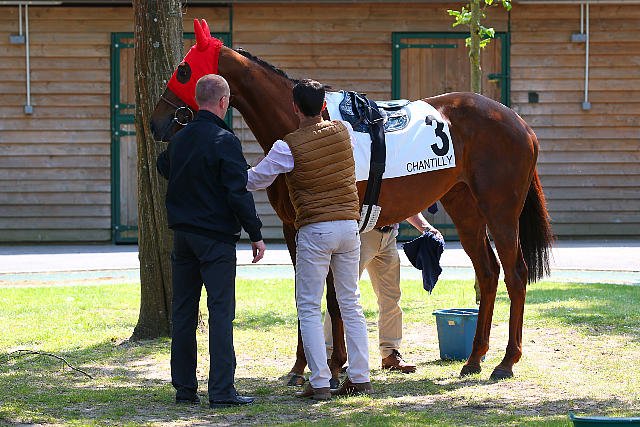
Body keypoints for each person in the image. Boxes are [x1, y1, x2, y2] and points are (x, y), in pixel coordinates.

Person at [246, 79, 371, 401]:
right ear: (324, 106)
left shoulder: (286, 146)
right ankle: (360, 377)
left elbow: (255, 180)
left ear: (295, 108)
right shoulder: (344, 131)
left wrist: (232, 170)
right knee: (351, 303)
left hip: (315, 229)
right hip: (349, 225)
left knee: (309, 306)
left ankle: (319, 381)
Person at [157, 74, 266, 409]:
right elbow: (237, 191)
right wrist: (255, 232)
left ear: (196, 100)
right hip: (215, 238)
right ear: (223, 102)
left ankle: (184, 389)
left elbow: (164, 166)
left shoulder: (180, 138)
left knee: (183, 312)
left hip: (183, 236)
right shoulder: (224, 140)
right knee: (220, 312)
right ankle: (221, 390)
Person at [324, 215, 442, 375]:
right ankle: (330, 355)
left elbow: (403, 203)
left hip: (389, 235)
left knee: (391, 297)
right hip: (361, 233)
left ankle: (390, 353)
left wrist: (426, 227)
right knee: (342, 296)